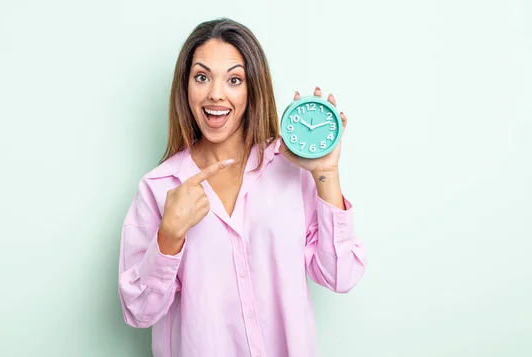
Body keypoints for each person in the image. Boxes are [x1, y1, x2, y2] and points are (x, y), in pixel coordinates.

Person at [117, 17, 367, 357]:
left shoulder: (290, 170)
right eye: (202, 77)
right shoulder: (159, 188)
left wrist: (326, 173)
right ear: (185, 87)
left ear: (252, 89)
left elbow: (341, 275)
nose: (216, 94)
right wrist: (169, 236)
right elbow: (138, 312)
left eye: (234, 79)